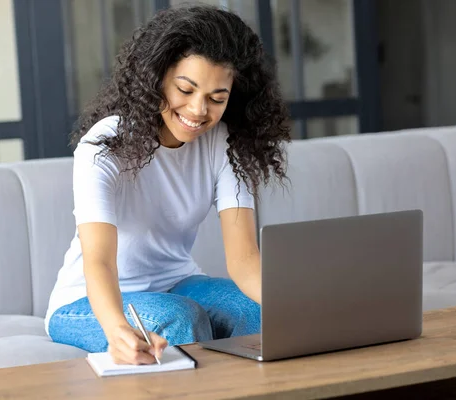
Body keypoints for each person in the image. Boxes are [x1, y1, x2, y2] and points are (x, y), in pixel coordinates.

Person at [46, 4, 290, 365]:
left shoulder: (223, 143)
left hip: (177, 283)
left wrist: (303, 306)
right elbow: (99, 261)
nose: (197, 110)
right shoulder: (104, 146)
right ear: (157, 76)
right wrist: (116, 329)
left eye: (216, 98)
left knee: (254, 311)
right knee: (178, 317)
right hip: (86, 301)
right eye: (185, 89)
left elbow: (244, 261)